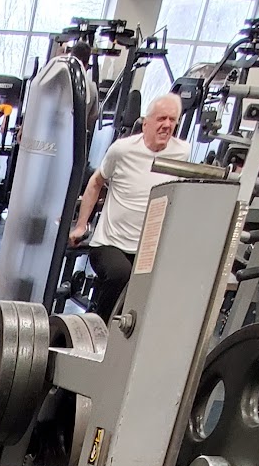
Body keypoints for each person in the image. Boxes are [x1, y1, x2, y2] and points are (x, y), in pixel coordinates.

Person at [68, 92, 189, 322]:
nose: (167, 125)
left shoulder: (182, 152)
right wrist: (81, 225)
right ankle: (98, 326)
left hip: (148, 247)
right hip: (110, 243)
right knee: (120, 275)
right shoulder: (122, 150)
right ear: (146, 123)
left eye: (172, 120)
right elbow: (95, 182)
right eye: (161, 119)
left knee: (159, 286)